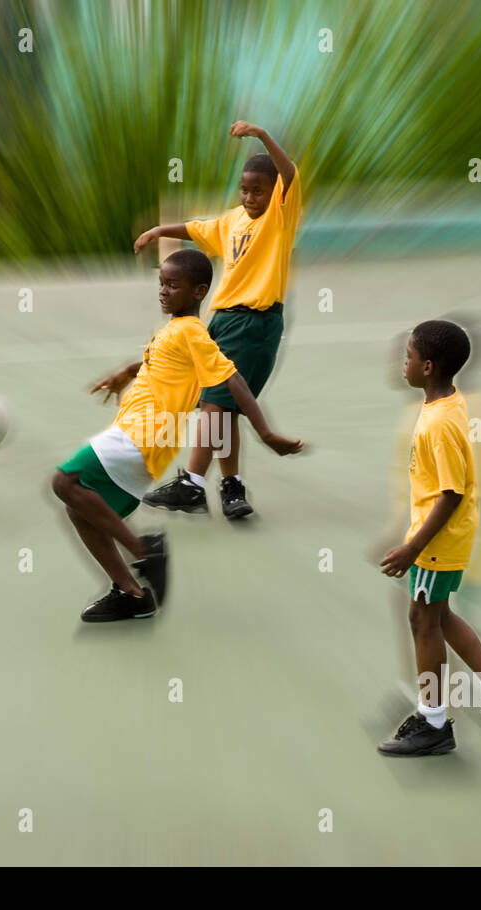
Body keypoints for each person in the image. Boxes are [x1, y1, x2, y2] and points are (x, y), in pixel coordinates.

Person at [52, 249, 304, 622]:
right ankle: (132, 594)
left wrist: (265, 433)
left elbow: (233, 378)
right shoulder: (175, 331)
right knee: (80, 511)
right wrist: (127, 370)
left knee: (64, 481)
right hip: (141, 439)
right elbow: (164, 362)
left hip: (143, 434)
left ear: (200, 291)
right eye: (161, 283)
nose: (164, 291)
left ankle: (144, 552)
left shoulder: (191, 332)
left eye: (173, 285)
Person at [377, 318, 481, 755]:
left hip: (437, 540)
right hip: (449, 535)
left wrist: (413, 547)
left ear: (427, 366)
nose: (401, 363)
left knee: (422, 620)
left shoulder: (438, 424)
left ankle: (434, 723)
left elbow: (451, 493)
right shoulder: (445, 405)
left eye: (407, 356)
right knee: (439, 618)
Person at [133, 121, 302, 519]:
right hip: (223, 321)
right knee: (220, 408)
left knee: (214, 404)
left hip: (254, 322)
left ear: (274, 191)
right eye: (244, 189)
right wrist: (159, 230)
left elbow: (290, 173)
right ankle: (231, 487)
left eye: (258, 190)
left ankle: (192, 483)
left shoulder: (279, 216)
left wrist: (262, 136)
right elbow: (196, 228)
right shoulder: (233, 221)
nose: (249, 196)